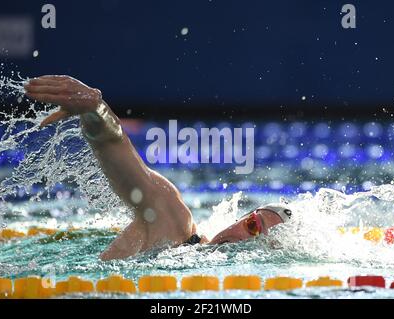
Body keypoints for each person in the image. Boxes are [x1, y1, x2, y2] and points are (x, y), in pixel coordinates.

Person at [24, 75, 292, 261]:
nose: (245, 243)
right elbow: (112, 144)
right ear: (241, 219)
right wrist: (95, 108)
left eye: (263, 244)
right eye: (253, 226)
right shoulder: (172, 220)